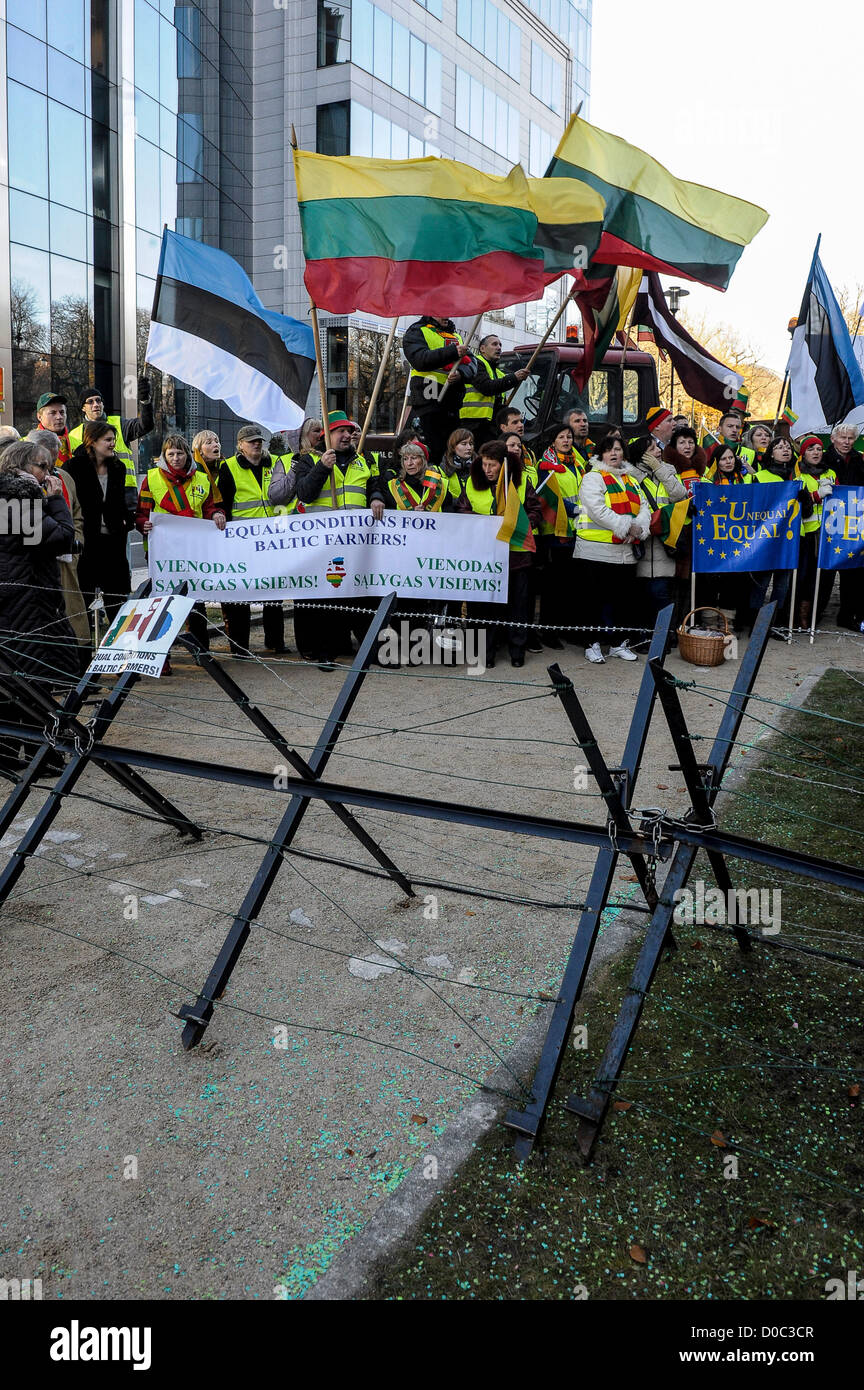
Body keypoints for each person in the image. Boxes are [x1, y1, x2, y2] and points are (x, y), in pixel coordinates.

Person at [0, 440, 79, 773]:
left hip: (20, 599)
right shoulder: (18, 499)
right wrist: (56, 497)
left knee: (16, 679)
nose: (48, 474)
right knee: (33, 680)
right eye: (42, 466)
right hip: (25, 602)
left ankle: (12, 753)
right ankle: (39, 755)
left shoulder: (12, 497)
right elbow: (60, 537)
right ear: (21, 465)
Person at [291, 411, 386, 668]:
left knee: (363, 597)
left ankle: (373, 651)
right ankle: (325, 652)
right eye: (339, 431)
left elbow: (374, 483)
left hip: (358, 544)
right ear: (327, 436)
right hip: (324, 544)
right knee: (326, 598)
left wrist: (376, 496)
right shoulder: (308, 460)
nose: (347, 435)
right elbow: (305, 493)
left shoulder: (361, 459)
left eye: (348, 431)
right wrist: (323, 467)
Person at [136, 434, 227, 668]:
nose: (175, 458)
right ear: (164, 456)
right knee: (162, 603)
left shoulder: (202, 479)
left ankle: (201, 652)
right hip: (162, 555)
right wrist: (142, 524)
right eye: (171, 454)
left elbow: (210, 508)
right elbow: (141, 513)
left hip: (193, 551)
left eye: (180, 454)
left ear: (188, 455)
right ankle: (161, 657)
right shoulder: (152, 479)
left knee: (195, 602)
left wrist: (217, 515)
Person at [458, 440, 541, 667]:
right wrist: (481, 523)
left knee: (518, 606)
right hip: (484, 558)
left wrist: (521, 523)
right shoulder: (472, 485)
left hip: (517, 556)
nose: (487, 470)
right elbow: (462, 511)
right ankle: (486, 653)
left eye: (492, 465)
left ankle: (517, 652)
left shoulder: (522, 483)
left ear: (504, 465)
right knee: (485, 608)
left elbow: (535, 511)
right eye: (484, 464)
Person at [572, 434, 650, 663]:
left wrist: (639, 527)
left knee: (622, 601)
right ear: (600, 455)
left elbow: (643, 507)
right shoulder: (592, 478)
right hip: (595, 550)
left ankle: (618, 644)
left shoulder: (631, 479)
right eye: (609, 450)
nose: (614, 453)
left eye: (618, 449)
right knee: (593, 601)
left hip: (624, 553)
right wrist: (627, 527)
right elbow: (597, 510)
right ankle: (591, 644)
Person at [217, 424, 288, 656]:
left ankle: (275, 641)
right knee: (241, 595)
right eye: (251, 441)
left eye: (259, 440)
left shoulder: (276, 463)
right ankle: (240, 646)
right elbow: (224, 504)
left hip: (273, 541)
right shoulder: (228, 467)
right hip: (242, 543)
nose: (256, 444)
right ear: (240, 445)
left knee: (274, 594)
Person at [23, 429, 90, 664]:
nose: (49, 468)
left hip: (65, 558)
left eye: (53, 459)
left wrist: (73, 541)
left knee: (72, 607)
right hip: (35, 564)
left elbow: (77, 513)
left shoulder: (64, 477)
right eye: (43, 462)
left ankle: (79, 660)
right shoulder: (20, 484)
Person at [64, 421, 134, 626]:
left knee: (118, 598)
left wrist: (127, 521)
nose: (113, 444)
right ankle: (84, 649)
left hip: (113, 541)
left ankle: (118, 646)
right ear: (93, 442)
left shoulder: (118, 467)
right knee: (83, 597)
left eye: (114, 439)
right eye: (108, 440)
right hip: (86, 542)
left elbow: (119, 500)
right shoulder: (74, 467)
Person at [745, 436, 812, 634]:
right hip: (767, 538)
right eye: (779, 447)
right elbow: (753, 508)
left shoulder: (798, 478)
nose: (785, 450)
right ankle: (755, 623)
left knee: (783, 585)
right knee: (762, 582)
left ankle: (774, 624)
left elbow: (806, 513)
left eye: (788, 447)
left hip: (791, 539)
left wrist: (804, 498)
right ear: (771, 452)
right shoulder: (760, 476)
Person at [626, 434, 689, 640]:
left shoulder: (668, 471)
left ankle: (664, 638)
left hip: (664, 544)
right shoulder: (630, 476)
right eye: (652, 449)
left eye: (658, 447)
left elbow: (680, 495)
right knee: (641, 598)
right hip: (642, 545)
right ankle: (643, 637)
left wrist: (659, 469)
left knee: (662, 594)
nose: (658, 451)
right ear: (641, 455)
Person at [535, 422, 585, 649]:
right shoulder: (546, 464)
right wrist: (574, 510)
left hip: (577, 529)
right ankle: (549, 631)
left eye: (569, 437)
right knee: (553, 585)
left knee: (571, 583)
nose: (566, 441)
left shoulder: (578, 464)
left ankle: (567, 629)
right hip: (554, 530)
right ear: (553, 441)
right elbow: (549, 496)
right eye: (562, 437)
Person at [68, 380, 155, 503]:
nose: (96, 404)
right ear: (83, 407)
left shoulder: (119, 423)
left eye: (98, 400)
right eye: (90, 402)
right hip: (90, 494)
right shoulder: (74, 435)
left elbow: (146, 425)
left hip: (125, 493)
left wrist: (145, 402)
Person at [402, 313, 465, 463]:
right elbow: (419, 359)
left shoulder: (457, 336)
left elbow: (472, 364)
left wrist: (461, 374)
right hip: (428, 400)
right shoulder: (417, 331)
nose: (447, 315)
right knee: (433, 452)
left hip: (452, 403)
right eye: (441, 311)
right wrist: (452, 351)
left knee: (452, 452)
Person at [822, 425, 864, 630]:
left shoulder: (859, 459)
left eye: (850, 438)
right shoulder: (822, 459)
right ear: (833, 439)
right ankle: (815, 613)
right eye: (843, 438)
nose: (847, 442)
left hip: (853, 524)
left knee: (853, 573)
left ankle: (847, 615)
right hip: (828, 523)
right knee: (824, 573)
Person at [794, 435, 838, 629]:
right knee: (806, 576)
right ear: (803, 453)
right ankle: (800, 616)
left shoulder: (831, 473)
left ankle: (814, 614)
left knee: (825, 576)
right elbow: (796, 502)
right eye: (811, 449)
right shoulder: (798, 475)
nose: (816, 453)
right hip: (807, 533)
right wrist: (816, 496)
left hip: (828, 531)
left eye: (819, 449)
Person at [458, 334, 528, 446]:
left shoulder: (499, 374)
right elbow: (487, 387)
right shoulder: (475, 364)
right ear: (482, 349)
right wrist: (513, 378)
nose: (499, 347)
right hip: (473, 423)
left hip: (490, 425)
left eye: (500, 345)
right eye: (494, 344)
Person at [268, 418, 324, 511]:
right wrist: (294, 470)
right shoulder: (284, 460)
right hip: (292, 521)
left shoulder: (327, 457)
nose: (322, 434)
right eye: (317, 431)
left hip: (322, 519)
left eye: (322, 431)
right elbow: (275, 497)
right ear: (303, 435)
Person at [34, 392, 73, 464]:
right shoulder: (28, 444)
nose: (59, 417)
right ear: (39, 416)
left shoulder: (77, 443)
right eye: (53, 413)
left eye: (62, 412)